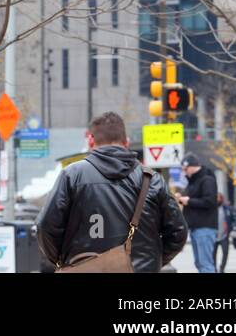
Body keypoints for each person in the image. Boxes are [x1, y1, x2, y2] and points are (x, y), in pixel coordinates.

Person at [36, 112, 187, 272]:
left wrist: (62, 260)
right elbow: (178, 232)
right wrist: (151, 262)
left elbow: (46, 227)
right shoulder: (152, 180)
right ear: (127, 142)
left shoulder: (72, 175)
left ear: (90, 140)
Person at [175, 153, 219, 274]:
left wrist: (188, 201)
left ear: (192, 166)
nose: (184, 172)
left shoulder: (207, 179)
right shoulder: (194, 181)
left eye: (185, 169)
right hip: (197, 227)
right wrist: (182, 198)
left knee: (205, 264)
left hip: (205, 227)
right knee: (200, 263)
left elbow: (209, 201)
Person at [217, 195, 234, 272]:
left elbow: (232, 219)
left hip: (224, 236)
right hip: (213, 235)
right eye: (216, 198)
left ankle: (222, 268)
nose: (218, 200)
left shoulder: (226, 209)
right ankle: (214, 269)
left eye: (219, 198)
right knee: (212, 254)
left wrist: (230, 229)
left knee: (225, 253)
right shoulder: (211, 209)